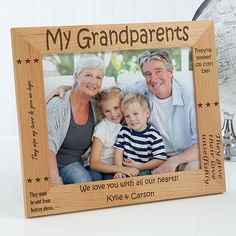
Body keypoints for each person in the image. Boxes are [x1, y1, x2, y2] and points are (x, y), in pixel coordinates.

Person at [46, 48, 199, 174]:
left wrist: (176, 160)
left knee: (193, 174)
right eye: (148, 74)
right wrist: (67, 89)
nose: (153, 79)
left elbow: (203, 143)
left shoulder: (190, 99)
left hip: (183, 156)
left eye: (158, 71)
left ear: (171, 71)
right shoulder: (140, 90)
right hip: (150, 159)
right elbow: (103, 93)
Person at [46, 55, 104, 185]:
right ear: (76, 76)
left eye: (98, 77)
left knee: (100, 180)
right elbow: (47, 145)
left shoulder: (97, 106)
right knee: (84, 181)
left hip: (82, 163)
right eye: (88, 75)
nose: (93, 81)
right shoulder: (58, 104)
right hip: (58, 162)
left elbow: (116, 97)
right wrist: (55, 180)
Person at [87, 87, 139, 180]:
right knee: (96, 182)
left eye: (116, 108)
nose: (113, 114)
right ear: (102, 112)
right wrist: (121, 169)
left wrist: (121, 170)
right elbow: (94, 163)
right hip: (99, 168)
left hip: (116, 168)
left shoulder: (130, 123)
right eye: (107, 111)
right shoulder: (102, 129)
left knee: (117, 183)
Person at [113, 92, 167, 178]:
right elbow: (118, 152)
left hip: (145, 170)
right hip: (126, 170)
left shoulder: (153, 135)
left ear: (146, 113)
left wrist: (139, 167)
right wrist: (119, 170)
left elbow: (160, 159)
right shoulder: (124, 131)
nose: (132, 119)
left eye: (135, 114)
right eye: (127, 116)